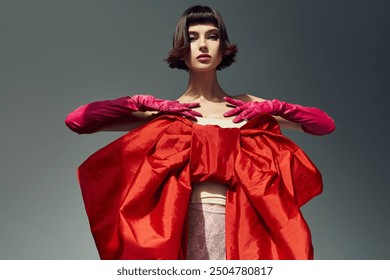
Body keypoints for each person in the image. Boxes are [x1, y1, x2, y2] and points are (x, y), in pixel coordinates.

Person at [65, 5, 335, 260]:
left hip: (246, 232)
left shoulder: (251, 107)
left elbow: (325, 125)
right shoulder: (166, 113)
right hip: (181, 229)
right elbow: (77, 121)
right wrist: (137, 101)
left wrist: (281, 107)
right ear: (182, 50)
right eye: (193, 37)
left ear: (222, 47)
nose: (203, 45)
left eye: (212, 36)